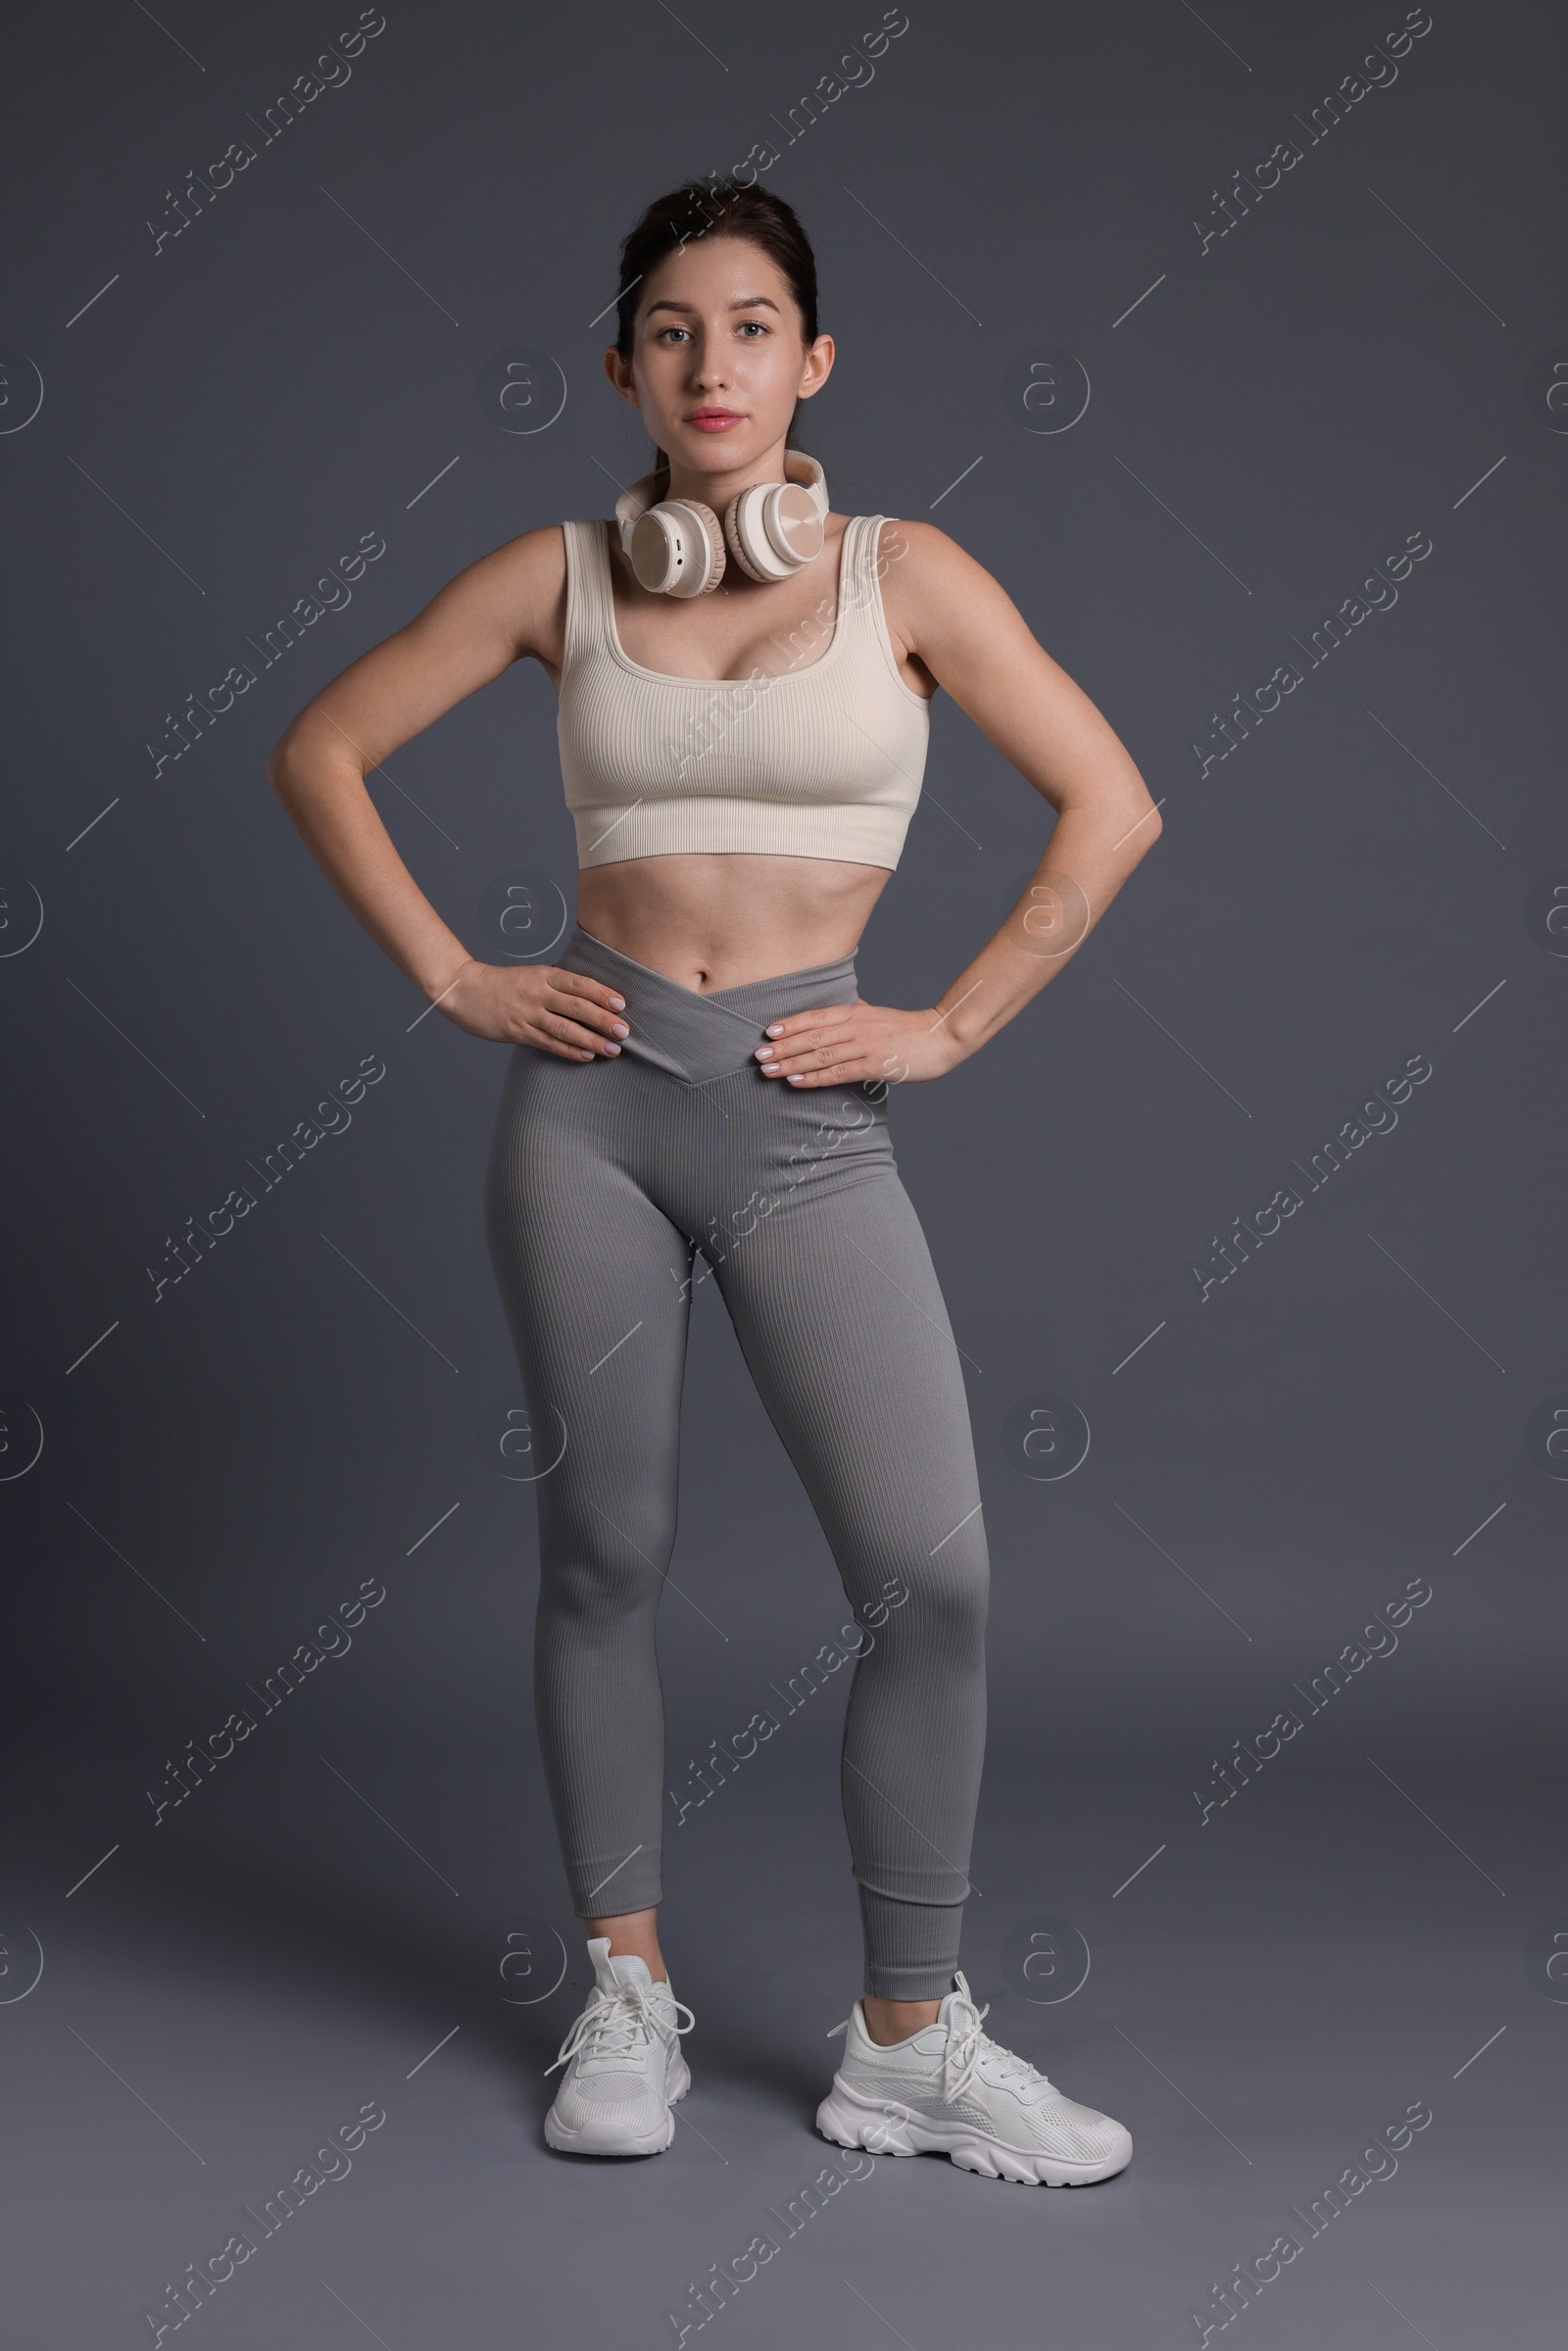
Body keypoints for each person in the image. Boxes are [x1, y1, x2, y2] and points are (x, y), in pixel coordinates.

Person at [267, 176, 1160, 2188]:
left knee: (930, 1577)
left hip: (801, 1116)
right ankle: (620, 1985)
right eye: (671, 329)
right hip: (584, 1111)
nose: (711, 362)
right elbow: (319, 748)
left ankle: (907, 2041)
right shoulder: (557, 575)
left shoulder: (910, 577)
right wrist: (451, 969)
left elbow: (1110, 803)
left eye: (750, 325)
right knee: (606, 1553)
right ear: (621, 370)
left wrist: (941, 1027)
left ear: (812, 362)